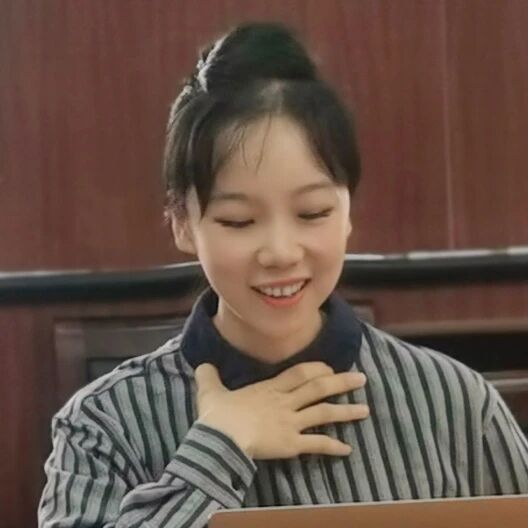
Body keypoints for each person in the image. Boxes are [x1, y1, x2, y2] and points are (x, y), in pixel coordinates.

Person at [38, 22, 528, 528]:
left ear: (348, 210)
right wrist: (218, 450)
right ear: (182, 223)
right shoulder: (104, 426)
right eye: (239, 221)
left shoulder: (452, 402)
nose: (280, 252)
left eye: (312, 213)